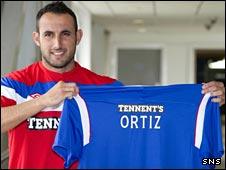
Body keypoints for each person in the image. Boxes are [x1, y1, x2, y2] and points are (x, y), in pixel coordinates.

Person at [1, 1, 225, 169]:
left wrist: (204, 102)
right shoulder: (15, 83)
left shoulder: (105, 88)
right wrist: (43, 101)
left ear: (78, 37)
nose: (57, 43)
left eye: (65, 34)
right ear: (37, 38)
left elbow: (153, 129)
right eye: (48, 34)